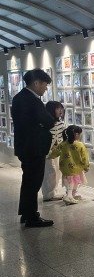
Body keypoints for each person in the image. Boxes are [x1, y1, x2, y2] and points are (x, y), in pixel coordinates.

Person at [11, 68, 56, 227]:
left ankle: (26, 213)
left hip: (26, 147)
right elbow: (49, 121)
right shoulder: (32, 100)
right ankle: (31, 217)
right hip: (34, 147)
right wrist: (46, 121)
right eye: (45, 84)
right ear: (36, 83)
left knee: (28, 181)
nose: (46, 88)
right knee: (33, 182)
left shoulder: (19, 97)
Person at [49, 125, 89, 205]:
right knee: (74, 182)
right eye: (79, 134)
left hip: (65, 168)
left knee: (69, 182)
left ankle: (71, 195)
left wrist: (50, 156)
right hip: (76, 168)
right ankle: (69, 196)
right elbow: (85, 157)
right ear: (76, 134)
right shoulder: (80, 145)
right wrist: (86, 166)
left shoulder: (63, 144)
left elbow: (55, 153)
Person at [41, 101, 65, 202]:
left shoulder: (61, 123)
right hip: (46, 152)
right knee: (50, 172)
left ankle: (53, 192)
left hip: (57, 151)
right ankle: (48, 194)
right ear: (52, 110)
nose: (60, 111)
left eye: (61, 108)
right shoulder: (45, 124)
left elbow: (62, 137)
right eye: (58, 108)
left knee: (58, 171)